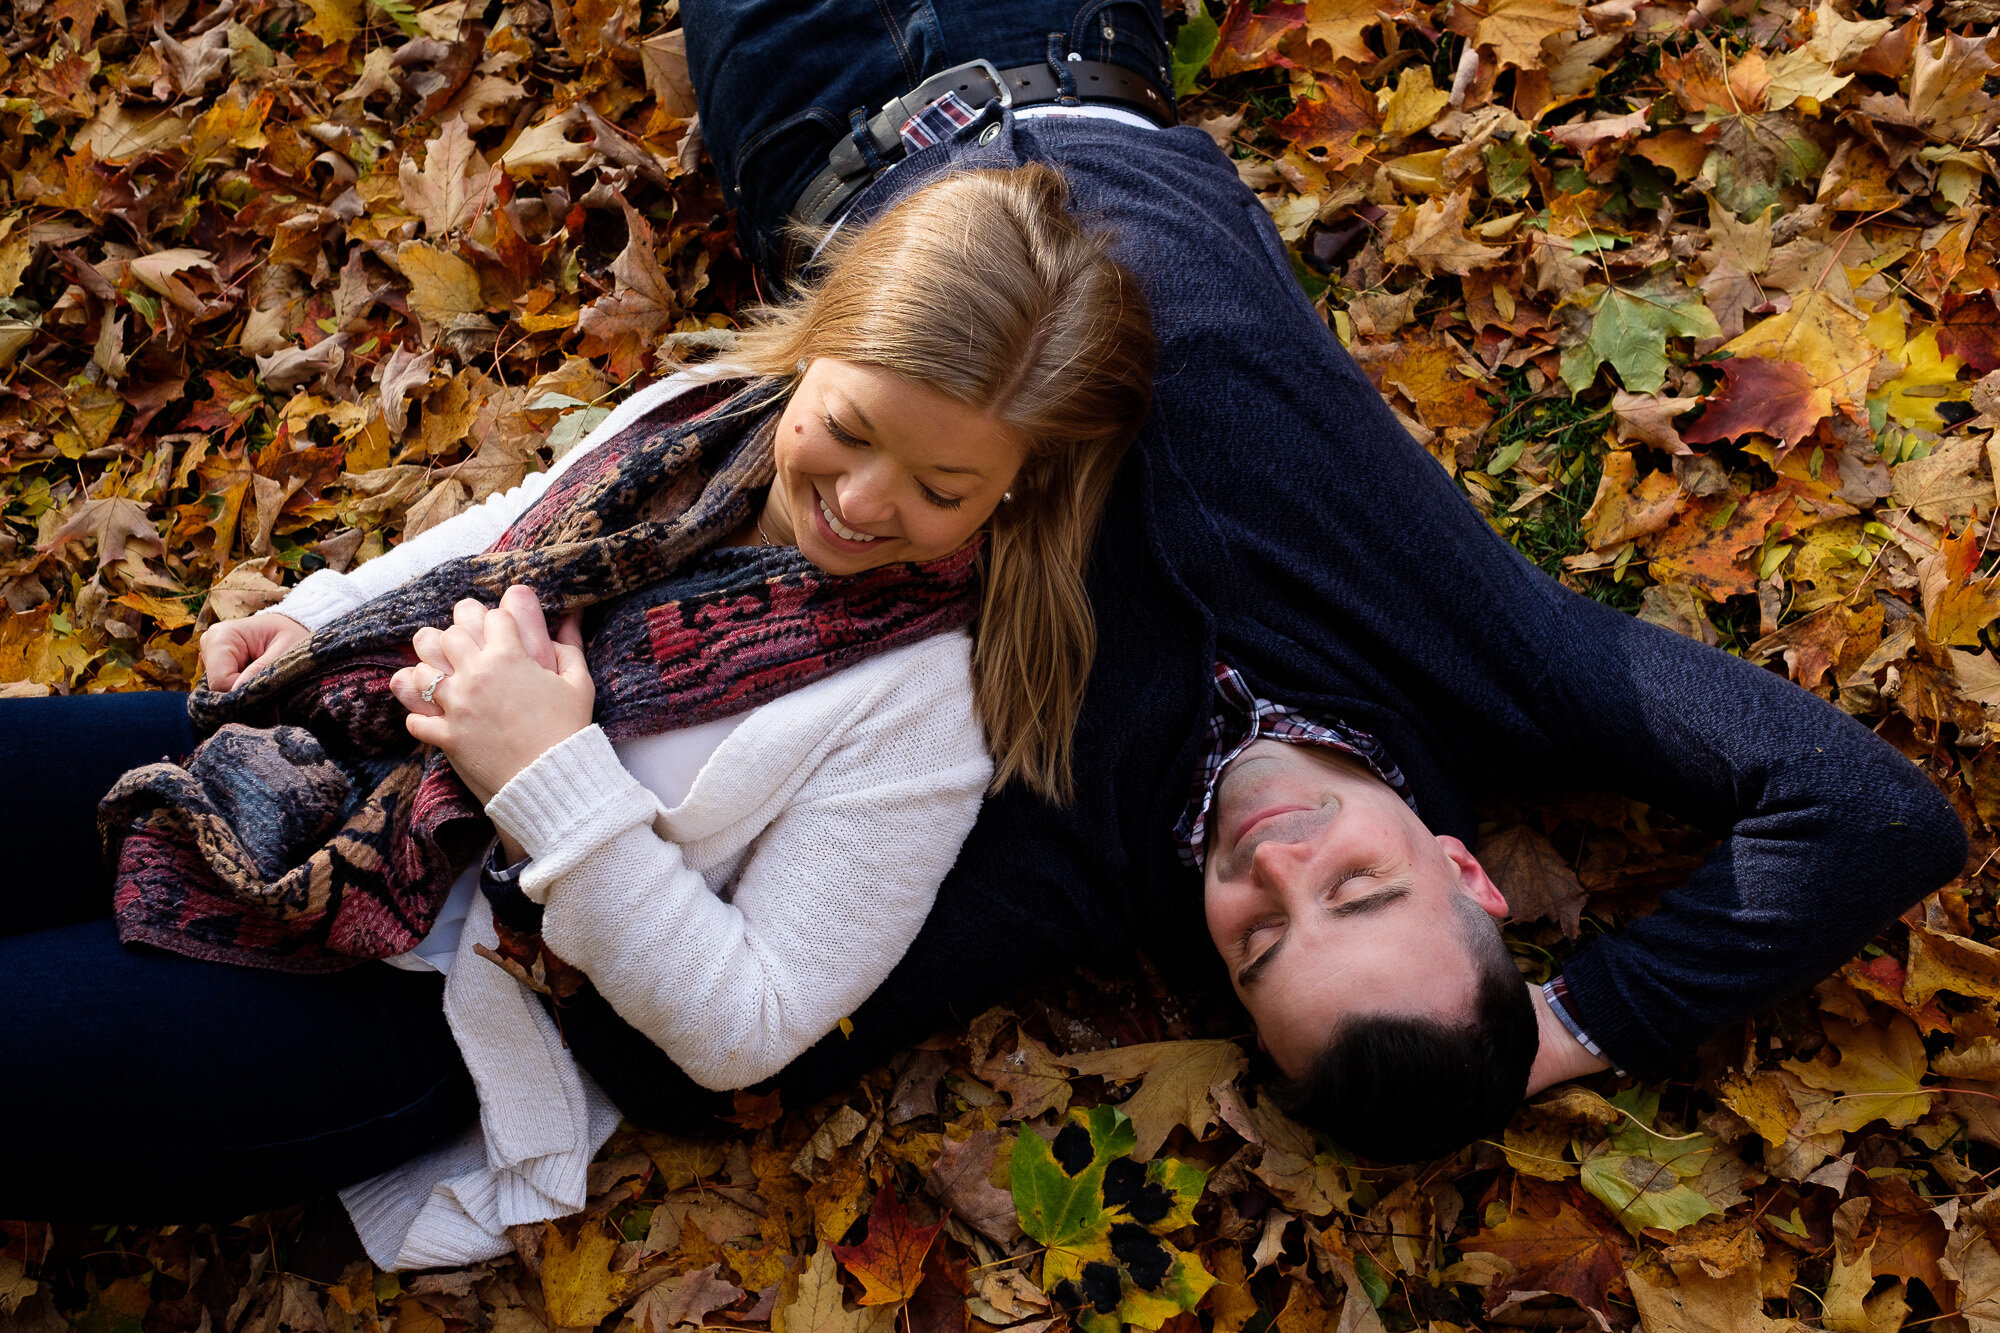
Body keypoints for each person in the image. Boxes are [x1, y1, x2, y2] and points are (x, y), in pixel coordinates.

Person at [663, 0, 1971, 1165]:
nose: (1276, 864)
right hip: (1056, 41)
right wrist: (1564, 1033)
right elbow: (1868, 816)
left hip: (809, 109)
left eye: (1262, 941)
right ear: (1466, 872)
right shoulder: (1507, 669)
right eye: (1356, 888)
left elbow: (742, 1039)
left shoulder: (1077, 858)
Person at [0, 163, 1154, 1264]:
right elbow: (506, 532)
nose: (860, 500)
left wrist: (544, 776)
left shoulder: (924, 707)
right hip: (318, 756)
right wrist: (325, 615)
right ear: (818, 349)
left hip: (442, 996)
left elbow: (752, 1021)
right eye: (847, 429)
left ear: (1021, 484)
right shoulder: (701, 421)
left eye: (939, 489)